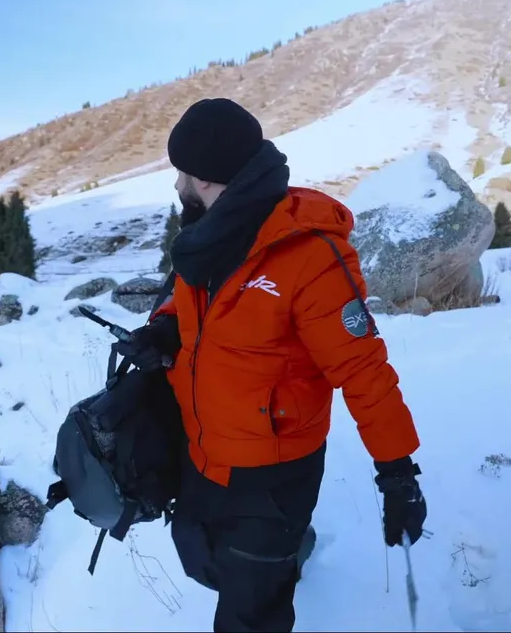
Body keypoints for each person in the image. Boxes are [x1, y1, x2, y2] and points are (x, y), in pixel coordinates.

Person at [117, 98, 427, 632]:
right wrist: (164, 330)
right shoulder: (207, 236)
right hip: (202, 451)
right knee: (200, 558)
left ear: (207, 177)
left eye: (182, 172)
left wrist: (397, 472)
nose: (177, 184)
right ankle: (286, 556)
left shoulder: (310, 255)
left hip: (271, 474)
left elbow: (363, 370)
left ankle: (280, 559)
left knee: (250, 612)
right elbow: (190, 304)